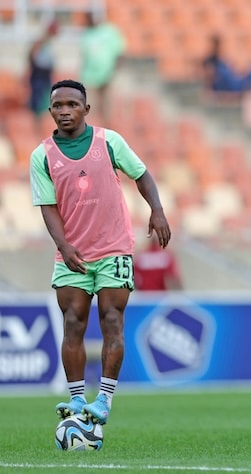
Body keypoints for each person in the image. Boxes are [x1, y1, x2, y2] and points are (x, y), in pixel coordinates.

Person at [29, 79, 171, 425]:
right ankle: (78, 399)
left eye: (72, 105)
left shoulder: (109, 142)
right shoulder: (42, 155)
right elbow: (48, 207)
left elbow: (142, 175)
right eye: (58, 106)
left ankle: (104, 400)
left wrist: (157, 209)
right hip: (72, 254)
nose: (65, 111)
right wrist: (63, 245)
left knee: (112, 321)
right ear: (50, 111)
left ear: (86, 109)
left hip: (114, 249)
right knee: (73, 323)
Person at [79, 12, 125, 122]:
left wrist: (114, 71)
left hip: (107, 75)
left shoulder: (109, 31)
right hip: (91, 77)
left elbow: (119, 51)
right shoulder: (86, 35)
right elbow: (85, 58)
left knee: (106, 107)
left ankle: (106, 131)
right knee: (90, 108)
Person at [202, 34, 251, 99]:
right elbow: (209, 77)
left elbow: (230, 71)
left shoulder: (221, 59)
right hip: (223, 84)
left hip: (229, 81)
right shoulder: (209, 61)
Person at [27, 20, 58, 130]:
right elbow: (32, 56)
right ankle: (36, 127)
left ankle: (40, 126)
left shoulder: (49, 42)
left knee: (45, 101)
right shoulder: (41, 41)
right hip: (39, 74)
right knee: (38, 102)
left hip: (45, 74)